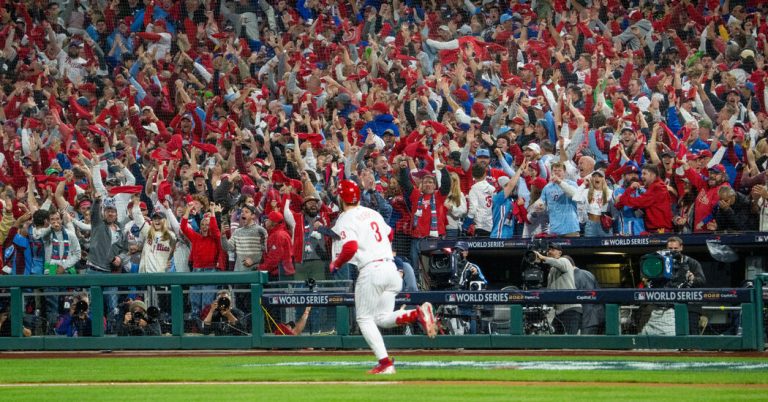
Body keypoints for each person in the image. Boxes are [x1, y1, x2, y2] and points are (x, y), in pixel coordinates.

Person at [329, 180, 437, 374]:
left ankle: (385, 363)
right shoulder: (373, 213)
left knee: (364, 319)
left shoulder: (345, 218)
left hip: (372, 270)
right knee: (382, 318)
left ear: (340, 198)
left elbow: (350, 247)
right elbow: (390, 233)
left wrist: (336, 263)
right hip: (391, 269)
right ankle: (417, 314)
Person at [641, 237, 706, 336]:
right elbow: (648, 276)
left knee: (691, 334)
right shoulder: (660, 261)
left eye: (675, 248)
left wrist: (692, 278)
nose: (673, 251)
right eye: (670, 248)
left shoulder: (691, 262)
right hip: (666, 305)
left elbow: (702, 281)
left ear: (681, 248)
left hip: (689, 304)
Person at [534, 243, 581, 335]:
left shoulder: (565, 261)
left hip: (570, 309)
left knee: (570, 342)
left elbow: (557, 262)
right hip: (559, 311)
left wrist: (542, 257)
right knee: (555, 338)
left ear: (560, 252)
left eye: (553, 249)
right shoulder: (552, 270)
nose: (550, 251)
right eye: (549, 250)